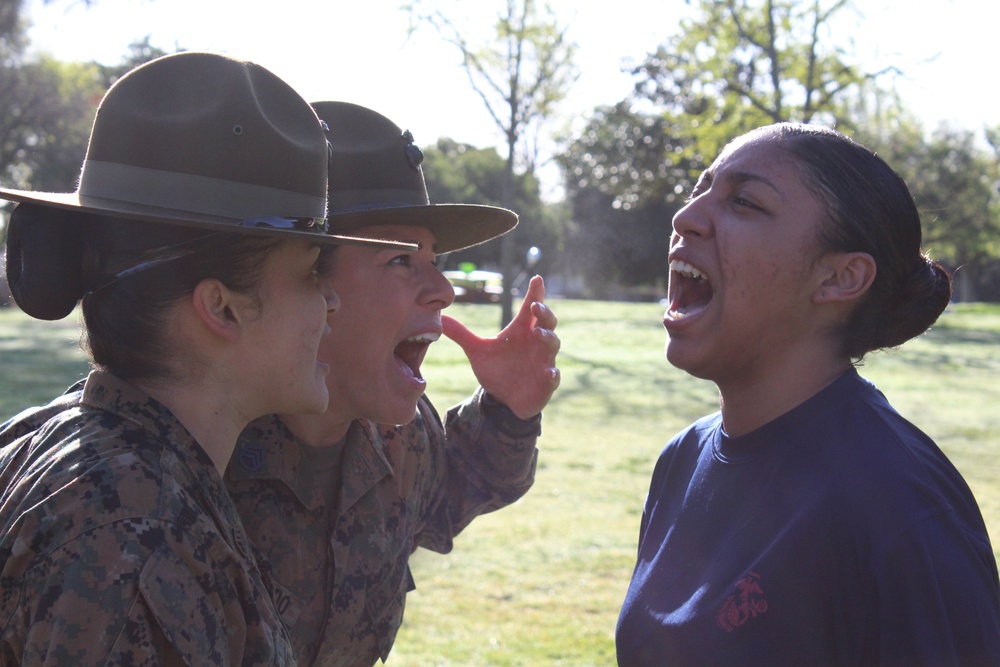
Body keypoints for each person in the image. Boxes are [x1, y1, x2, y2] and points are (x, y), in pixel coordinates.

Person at [0, 54, 415, 666]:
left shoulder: (83, 452)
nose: (330, 301)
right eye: (308, 272)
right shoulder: (139, 539)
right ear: (220, 309)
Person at [615, 123, 1000, 666]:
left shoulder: (900, 509)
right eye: (701, 189)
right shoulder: (680, 461)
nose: (684, 217)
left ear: (840, 278)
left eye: (744, 202)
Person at [223, 101, 561, 667]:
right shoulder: (197, 446)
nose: (443, 289)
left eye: (434, 258)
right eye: (401, 261)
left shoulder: (396, 433)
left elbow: (447, 492)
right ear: (301, 276)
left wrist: (509, 410)